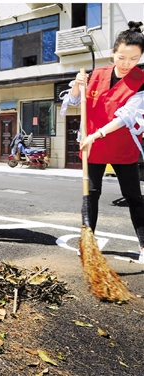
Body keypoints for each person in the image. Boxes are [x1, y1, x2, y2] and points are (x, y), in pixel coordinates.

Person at [63, 21, 144, 263]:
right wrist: (77, 87)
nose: (127, 63)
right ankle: (88, 242)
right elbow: (75, 103)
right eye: (122, 57)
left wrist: (95, 135)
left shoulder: (141, 81)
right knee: (91, 194)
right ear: (113, 53)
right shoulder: (96, 75)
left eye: (134, 58)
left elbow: (127, 117)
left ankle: (143, 245)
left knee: (133, 196)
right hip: (93, 146)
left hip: (122, 145)